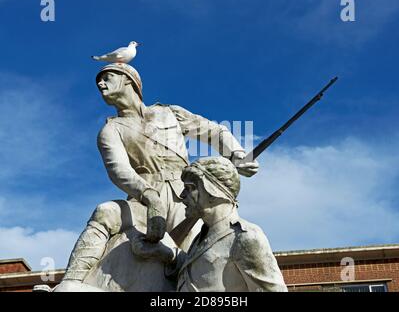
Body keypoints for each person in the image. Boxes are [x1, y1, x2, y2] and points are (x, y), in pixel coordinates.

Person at [55, 63, 259, 291]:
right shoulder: (111, 130)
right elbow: (119, 170)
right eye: (99, 82)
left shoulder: (169, 112)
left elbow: (213, 131)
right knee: (106, 211)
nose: (101, 84)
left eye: (108, 78)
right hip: (143, 197)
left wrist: (237, 154)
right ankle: (71, 281)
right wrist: (149, 197)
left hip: (188, 195)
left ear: (128, 80)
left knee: (195, 250)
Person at [133, 157, 287, 292]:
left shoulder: (245, 238)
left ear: (213, 191)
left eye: (190, 188)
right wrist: (166, 253)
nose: (182, 196)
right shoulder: (200, 239)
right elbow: (199, 274)